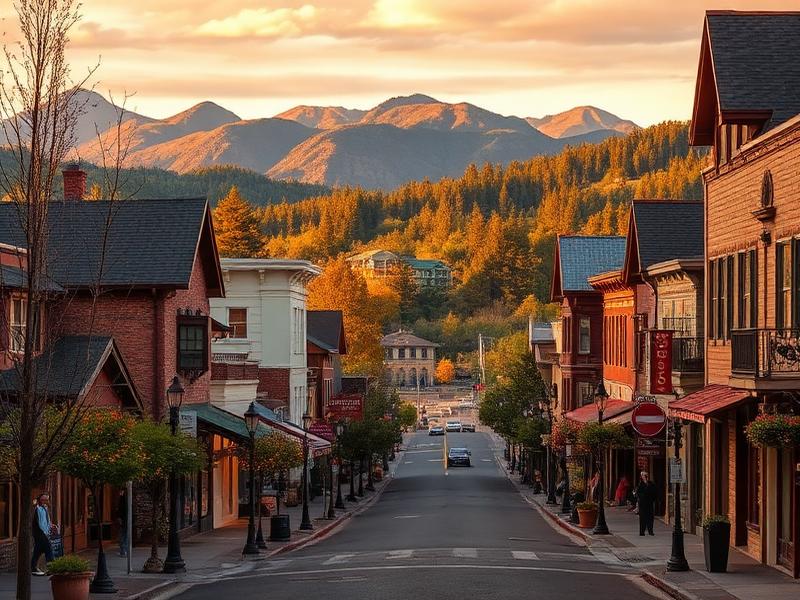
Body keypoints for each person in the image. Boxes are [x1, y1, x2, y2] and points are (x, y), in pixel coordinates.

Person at [31, 493, 54, 575]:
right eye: (43, 500)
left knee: (38, 550)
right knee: (48, 549)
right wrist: (43, 531)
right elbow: (38, 522)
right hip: (39, 532)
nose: (45, 501)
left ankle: (33, 568)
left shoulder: (45, 508)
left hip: (44, 532)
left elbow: (45, 520)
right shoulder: (37, 508)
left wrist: (50, 525)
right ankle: (51, 568)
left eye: (46, 500)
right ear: (39, 500)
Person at [636, 471, 657, 536]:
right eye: (643, 475)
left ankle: (650, 531)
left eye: (645, 475)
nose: (644, 477)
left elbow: (654, 492)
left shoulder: (651, 483)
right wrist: (642, 497)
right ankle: (642, 531)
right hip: (643, 504)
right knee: (643, 518)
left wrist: (653, 499)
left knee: (650, 517)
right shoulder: (640, 484)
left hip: (649, 503)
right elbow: (638, 493)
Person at [118, 488, 129, 557]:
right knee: (125, 535)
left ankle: (123, 551)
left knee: (123, 535)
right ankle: (124, 551)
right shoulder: (126, 499)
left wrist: (120, 518)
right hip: (126, 520)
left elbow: (121, 509)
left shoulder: (123, 499)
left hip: (124, 520)